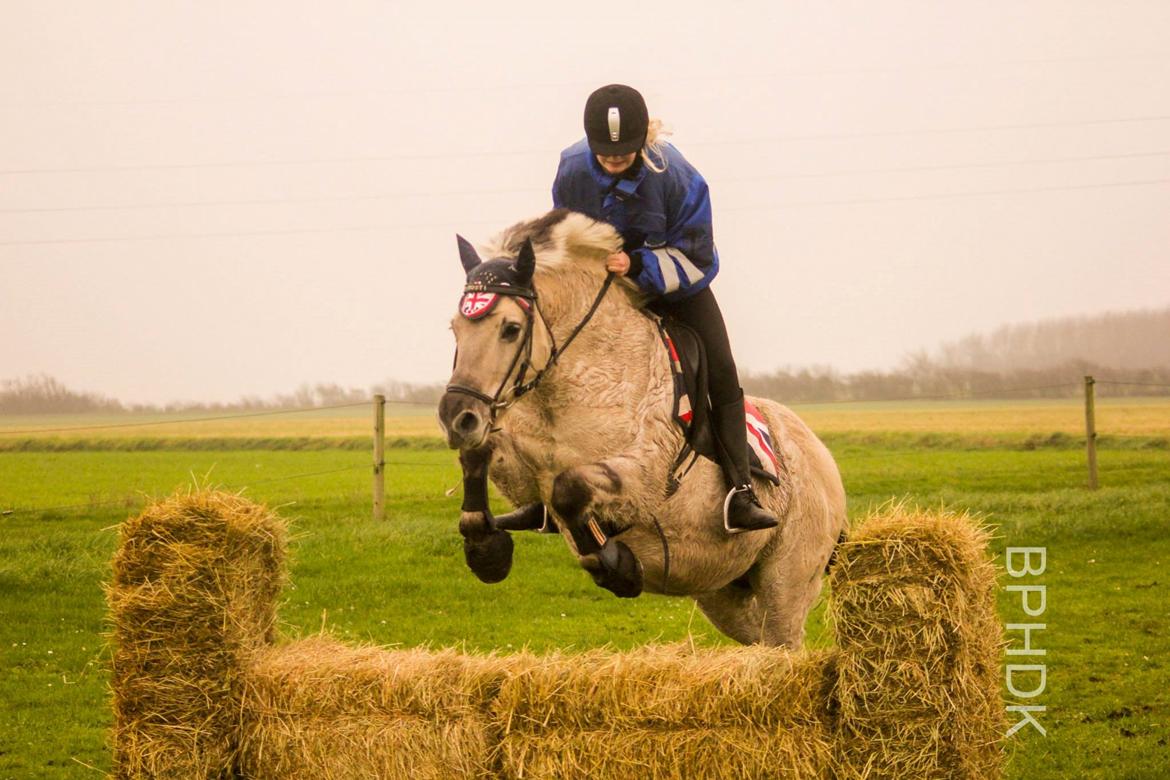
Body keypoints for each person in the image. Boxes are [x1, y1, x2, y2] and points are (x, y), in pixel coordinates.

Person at [551, 83, 778, 534]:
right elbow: (564, 230)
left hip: (678, 286)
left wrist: (636, 265)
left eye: (624, 154)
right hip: (604, 286)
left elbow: (697, 256)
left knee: (721, 368)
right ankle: (546, 497)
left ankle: (739, 492)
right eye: (605, 155)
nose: (613, 161)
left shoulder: (677, 176)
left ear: (642, 142)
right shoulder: (572, 166)